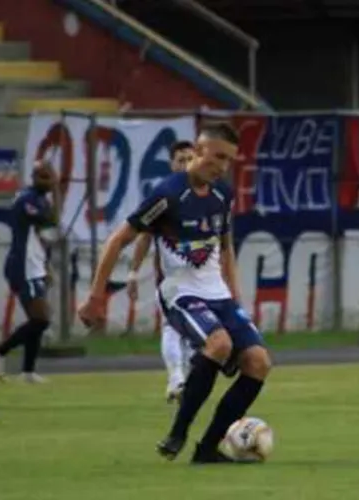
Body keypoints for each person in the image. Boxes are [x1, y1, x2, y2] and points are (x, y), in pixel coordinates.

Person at [78, 124, 272, 464]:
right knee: (220, 344)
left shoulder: (222, 195)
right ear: (197, 152)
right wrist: (96, 296)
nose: (223, 167)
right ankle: (178, 431)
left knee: (258, 363)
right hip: (179, 293)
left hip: (218, 293)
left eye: (229, 160)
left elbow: (225, 247)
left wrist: (235, 294)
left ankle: (208, 448)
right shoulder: (167, 195)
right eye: (217, 158)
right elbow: (118, 239)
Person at [126, 140, 194, 403]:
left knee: (191, 335)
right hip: (172, 280)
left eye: (190, 158)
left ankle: (182, 381)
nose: (185, 164)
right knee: (173, 328)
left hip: (201, 279)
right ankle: (176, 378)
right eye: (180, 159)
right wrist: (133, 273)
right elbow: (144, 236)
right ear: (171, 163)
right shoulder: (163, 196)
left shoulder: (205, 193)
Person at [0, 162, 59, 383]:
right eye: (44, 177)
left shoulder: (38, 198)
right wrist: (55, 188)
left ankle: (27, 372)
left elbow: (40, 235)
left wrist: (46, 265)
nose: (48, 181)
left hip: (33, 265)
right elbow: (52, 220)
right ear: (34, 177)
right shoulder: (27, 200)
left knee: (37, 319)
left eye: (50, 176)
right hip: (23, 266)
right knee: (41, 319)